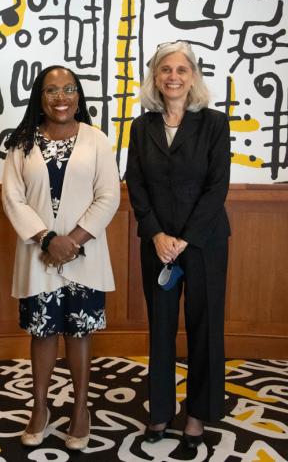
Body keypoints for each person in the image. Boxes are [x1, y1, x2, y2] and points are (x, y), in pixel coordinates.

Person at [2, 65, 120, 451]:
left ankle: (80, 410)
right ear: (40, 96)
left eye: (69, 89)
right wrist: (48, 239)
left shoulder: (97, 139)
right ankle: (40, 408)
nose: (61, 97)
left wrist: (72, 241)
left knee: (79, 331)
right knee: (42, 332)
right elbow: (12, 198)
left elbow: (109, 195)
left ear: (79, 95)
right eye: (52, 90)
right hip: (40, 255)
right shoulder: (22, 142)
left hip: (83, 254)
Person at [125, 41, 231, 449]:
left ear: (193, 76)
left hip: (203, 243)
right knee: (162, 329)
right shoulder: (142, 126)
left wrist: (184, 239)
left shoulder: (214, 123)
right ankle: (160, 415)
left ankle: (197, 417)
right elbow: (135, 183)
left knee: (205, 329)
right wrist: (156, 234)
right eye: (164, 69)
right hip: (157, 245)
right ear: (155, 76)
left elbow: (216, 185)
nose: (172, 76)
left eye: (181, 70)